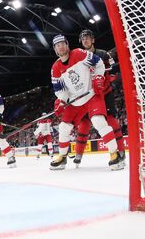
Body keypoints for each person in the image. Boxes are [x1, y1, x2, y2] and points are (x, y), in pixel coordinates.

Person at [50, 35, 123, 170]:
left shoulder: (78, 53)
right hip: (74, 102)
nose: (60, 47)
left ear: (67, 45)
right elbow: (61, 90)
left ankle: (115, 154)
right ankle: (62, 157)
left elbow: (98, 63)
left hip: (91, 95)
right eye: (57, 45)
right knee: (63, 127)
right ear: (55, 49)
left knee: (98, 121)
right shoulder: (55, 68)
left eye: (62, 44)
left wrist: (98, 77)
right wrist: (61, 101)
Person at [71, 29, 126, 167]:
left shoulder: (102, 54)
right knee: (84, 124)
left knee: (111, 121)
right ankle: (78, 155)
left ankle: (120, 152)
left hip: (104, 94)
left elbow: (115, 71)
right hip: (86, 97)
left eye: (88, 38)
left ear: (93, 40)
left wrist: (112, 85)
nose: (85, 40)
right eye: (83, 39)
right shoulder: (77, 58)